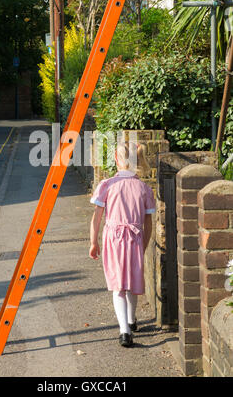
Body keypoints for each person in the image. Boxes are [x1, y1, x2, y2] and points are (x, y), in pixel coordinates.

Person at [89, 141, 155, 347]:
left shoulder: (107, 185)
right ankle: (131, 319)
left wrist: (93, 242)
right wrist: (142, 245)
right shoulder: (144, 188)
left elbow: (96, 218)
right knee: (133, 283)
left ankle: (124, 331)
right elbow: (148, 223)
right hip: (135, 238)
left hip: (113, 239)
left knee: (119, 285)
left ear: (117, 160)